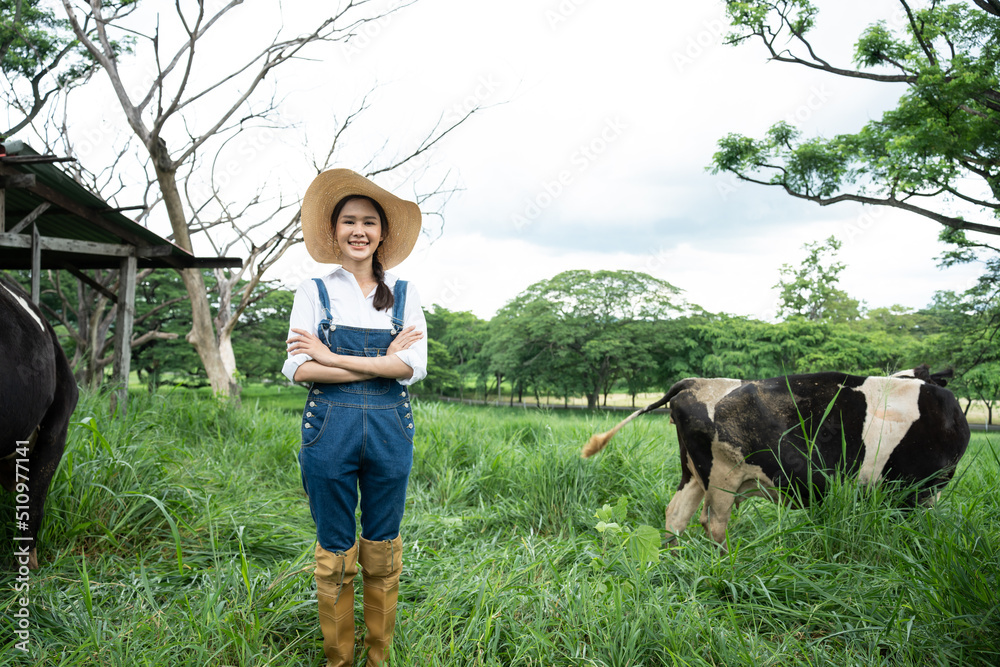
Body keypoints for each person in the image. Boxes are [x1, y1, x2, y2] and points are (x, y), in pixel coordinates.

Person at [283, 168, 427, 667]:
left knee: (383, 545)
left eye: (369, 221)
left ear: (383, 233)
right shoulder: (314, 291)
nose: (359, 230)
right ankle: (338, 660)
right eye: (349, 221)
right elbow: (299, 369)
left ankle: (378, 657)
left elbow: (411, 367)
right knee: (335, 550)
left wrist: (333, 356)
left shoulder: (406, 295)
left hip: (391, 430)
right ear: (334, 229)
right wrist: (377, 363)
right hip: (329, 429)